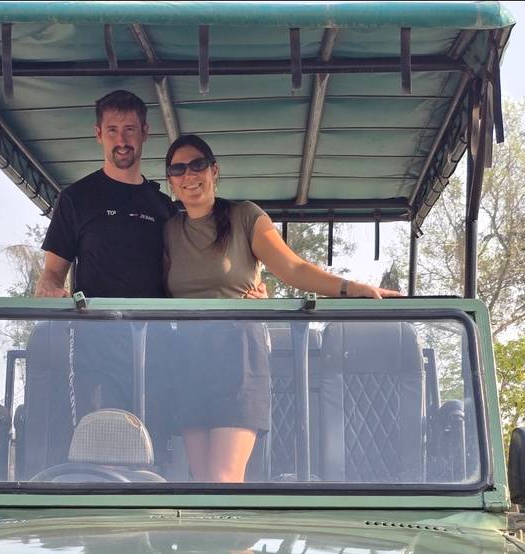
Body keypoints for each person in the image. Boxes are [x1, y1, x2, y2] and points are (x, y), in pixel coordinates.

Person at [163, 133, 401, 484]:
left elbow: (293, 268)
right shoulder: (169, 230)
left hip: (238, 354)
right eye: (178, 169)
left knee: (224, 480)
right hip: (187, 356)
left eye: (197, 165)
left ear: (214, 171)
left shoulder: (245, 216)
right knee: (199, 481)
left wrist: (350, 288)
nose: (189, 175)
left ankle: (236, 539)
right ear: (170, 180)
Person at [35, 89, 175, 417]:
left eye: (129, 130)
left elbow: (183, 274)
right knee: (101, 446)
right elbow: (53, 273)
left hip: (157, 350)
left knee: (156, 452)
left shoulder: (164, 206)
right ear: (99, 134)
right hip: (95, 349)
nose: (121, 140)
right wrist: (49, 290)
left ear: (145, 132)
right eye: (112, 130)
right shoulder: (76, 199)